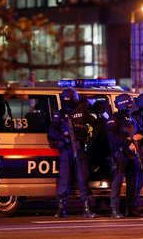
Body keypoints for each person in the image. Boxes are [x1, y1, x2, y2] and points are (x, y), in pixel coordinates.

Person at [48, 88, 96, 218]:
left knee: (82, 179)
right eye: (65, 100)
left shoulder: (84, 111)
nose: (67, 102)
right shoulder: (61, 113)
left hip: (80, 149)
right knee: (64, 180)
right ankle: (61, 208)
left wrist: (87, 137)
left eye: (69, 99)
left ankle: (86, 209)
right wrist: (63, 138)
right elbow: (52, 131)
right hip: (66, 150)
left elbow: (95, 126)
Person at [107, 94, 142, 218]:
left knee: (133, 183)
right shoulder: (114, 119)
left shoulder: (131, 118)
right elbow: (112, 138)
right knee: (117, 183)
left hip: (132, 155)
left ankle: (131, 209)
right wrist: (128, 142)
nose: (131, 105)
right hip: (120, 154)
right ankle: (115, 210)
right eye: (129, 103)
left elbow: (137, 133)